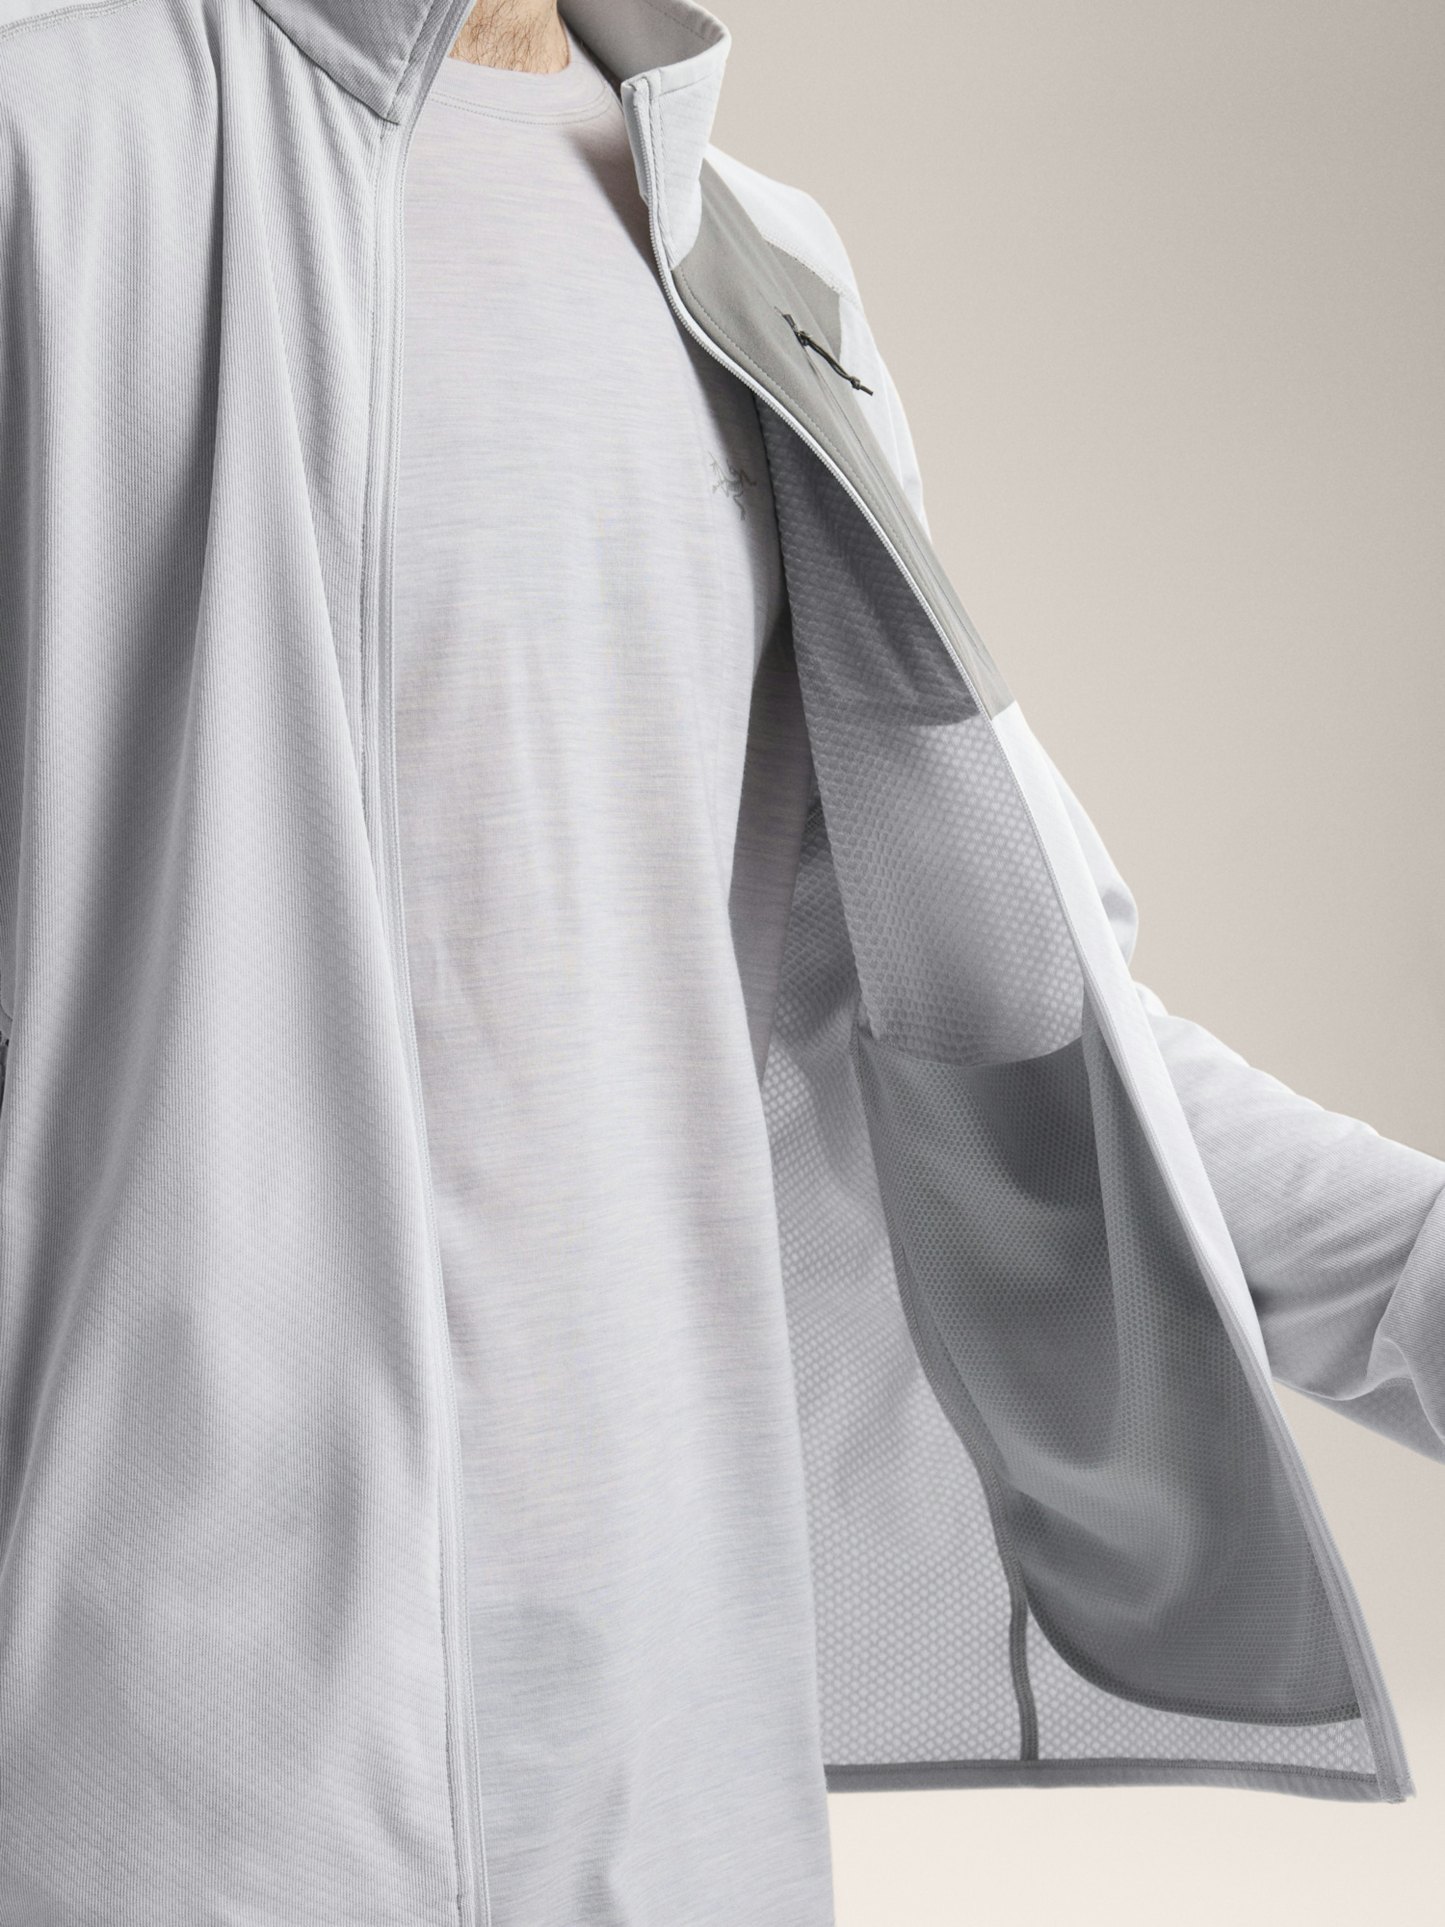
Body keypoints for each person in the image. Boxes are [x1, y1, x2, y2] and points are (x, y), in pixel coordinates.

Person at [0, 0, 1439, 1921]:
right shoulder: (53, 144)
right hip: (157, 1786)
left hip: (672, 1769)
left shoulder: (751, 261)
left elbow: (1019, 1029)